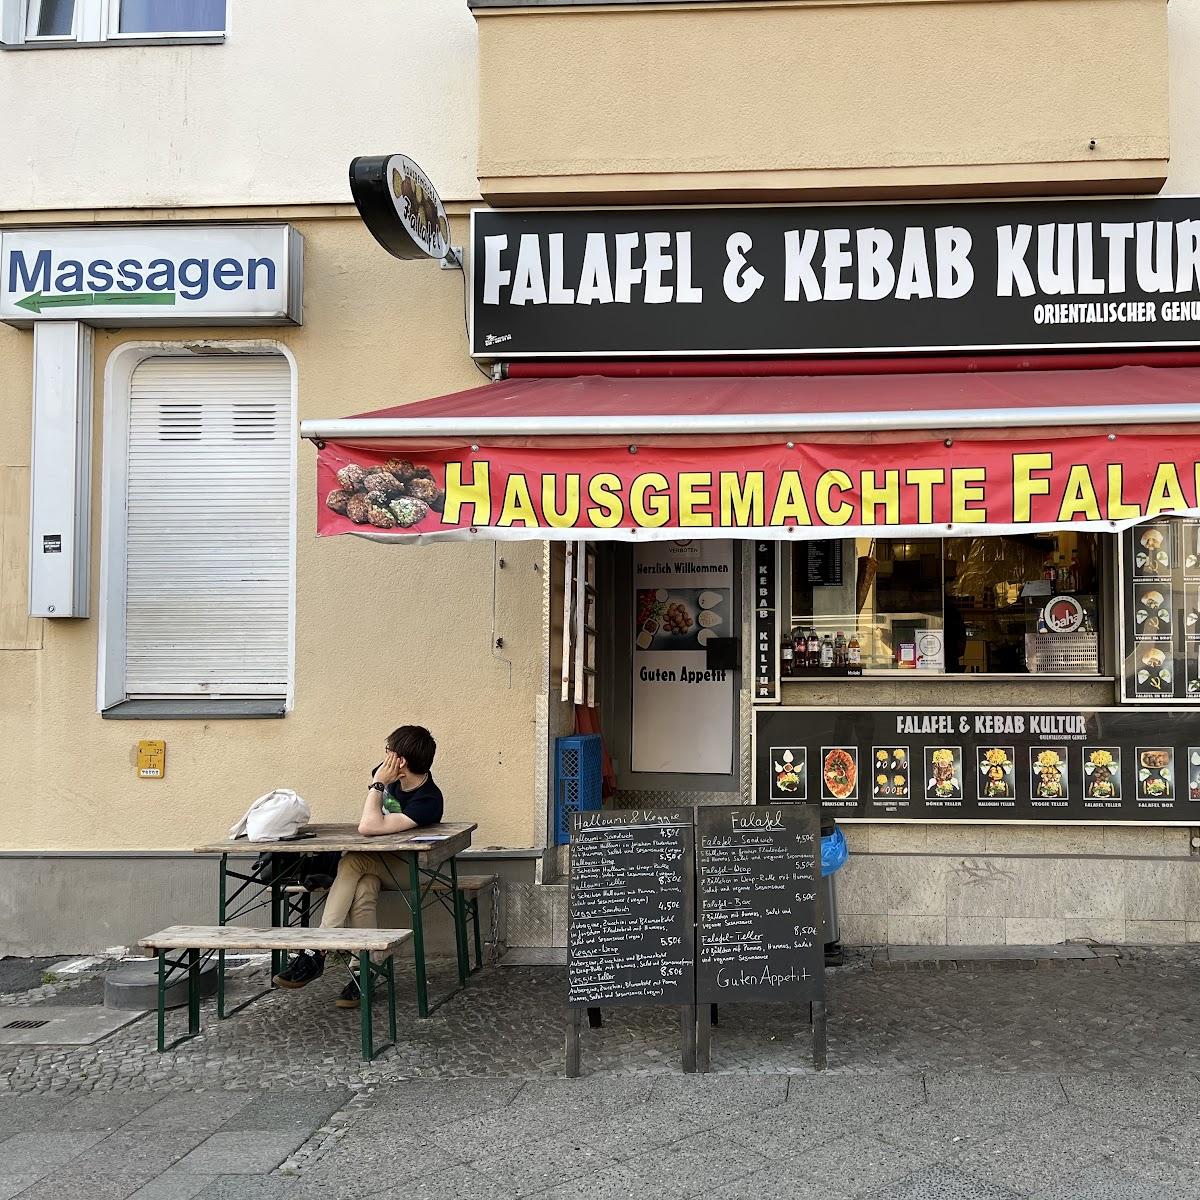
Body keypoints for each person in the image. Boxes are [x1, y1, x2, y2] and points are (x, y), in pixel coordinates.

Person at [273, 725, 442, 1007]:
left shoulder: (428, 800)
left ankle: (319, 950)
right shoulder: (387, 776)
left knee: (353, 860)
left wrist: (377, 785)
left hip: (410, 869)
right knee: (364, 887)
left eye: (389, 751)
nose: (384, 756)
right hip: (378, 866)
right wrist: (380, 782)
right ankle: (364, 969)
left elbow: (368, 826)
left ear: (400, 761)